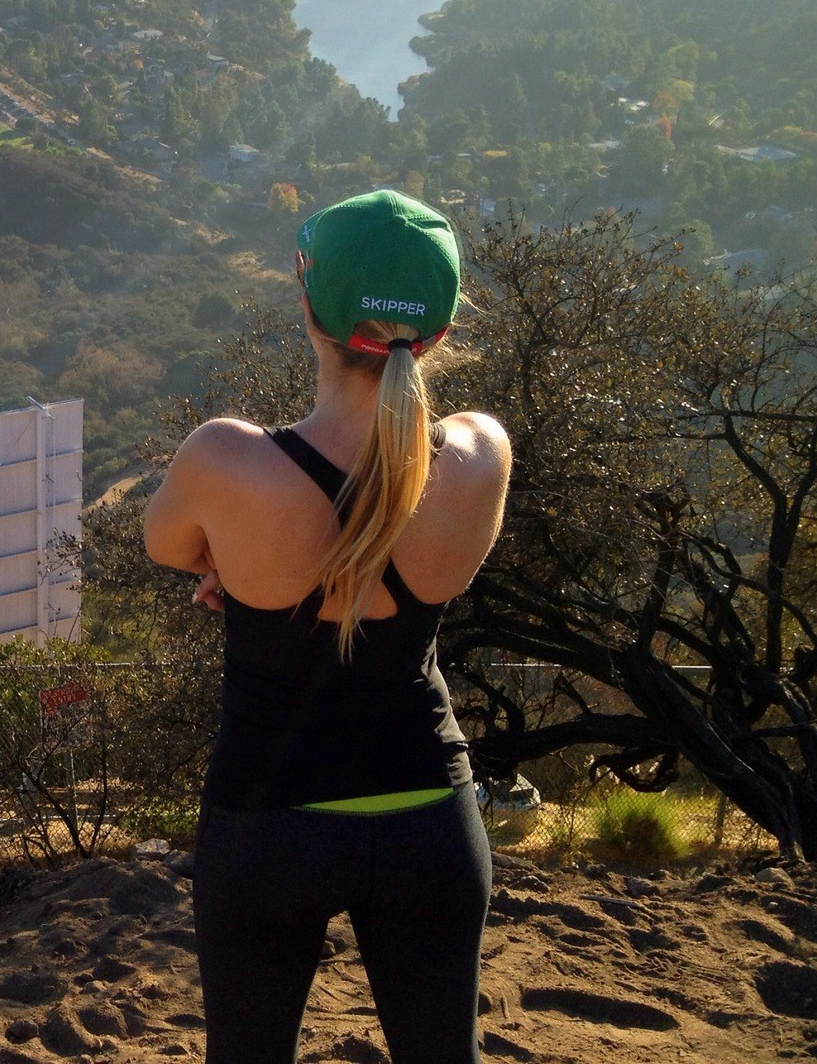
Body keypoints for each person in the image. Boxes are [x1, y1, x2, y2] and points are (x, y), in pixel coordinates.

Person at [143, 189, 512, 1064]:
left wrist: (237, 565)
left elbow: (167, 545)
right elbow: (400, 529)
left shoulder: (226, 460)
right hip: (430, 815)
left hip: (268, 824)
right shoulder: (481, 453)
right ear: (444, 331)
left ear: (309, 310)